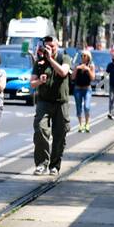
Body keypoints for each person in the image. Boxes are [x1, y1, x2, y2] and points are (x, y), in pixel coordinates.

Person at [30, 34, 72, 176]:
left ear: (57, 46)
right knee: (40, 129)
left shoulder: (64, 58)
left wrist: (50, 59)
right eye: (47, 47)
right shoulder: (39, 62)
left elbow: (63, 72)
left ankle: (54, 165)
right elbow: (32, 83)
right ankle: (41, 163)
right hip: (44, 102)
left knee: (59, 135)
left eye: (52, 46)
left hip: (61, 103)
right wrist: (40, 81)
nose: (50, 49)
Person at [72, 50, 95, 132]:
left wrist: (88, 70)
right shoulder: (77, 65)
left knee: (87, 106)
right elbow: (72, 77)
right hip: (78, 88)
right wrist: (77, 69)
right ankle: (80, 124)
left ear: (88, 57)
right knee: (78, 108)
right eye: (82, 56)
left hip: (87, 89)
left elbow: (92, 78)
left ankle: (87, 123)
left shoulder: (91, 66)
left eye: (85, 56)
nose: (83, 57)